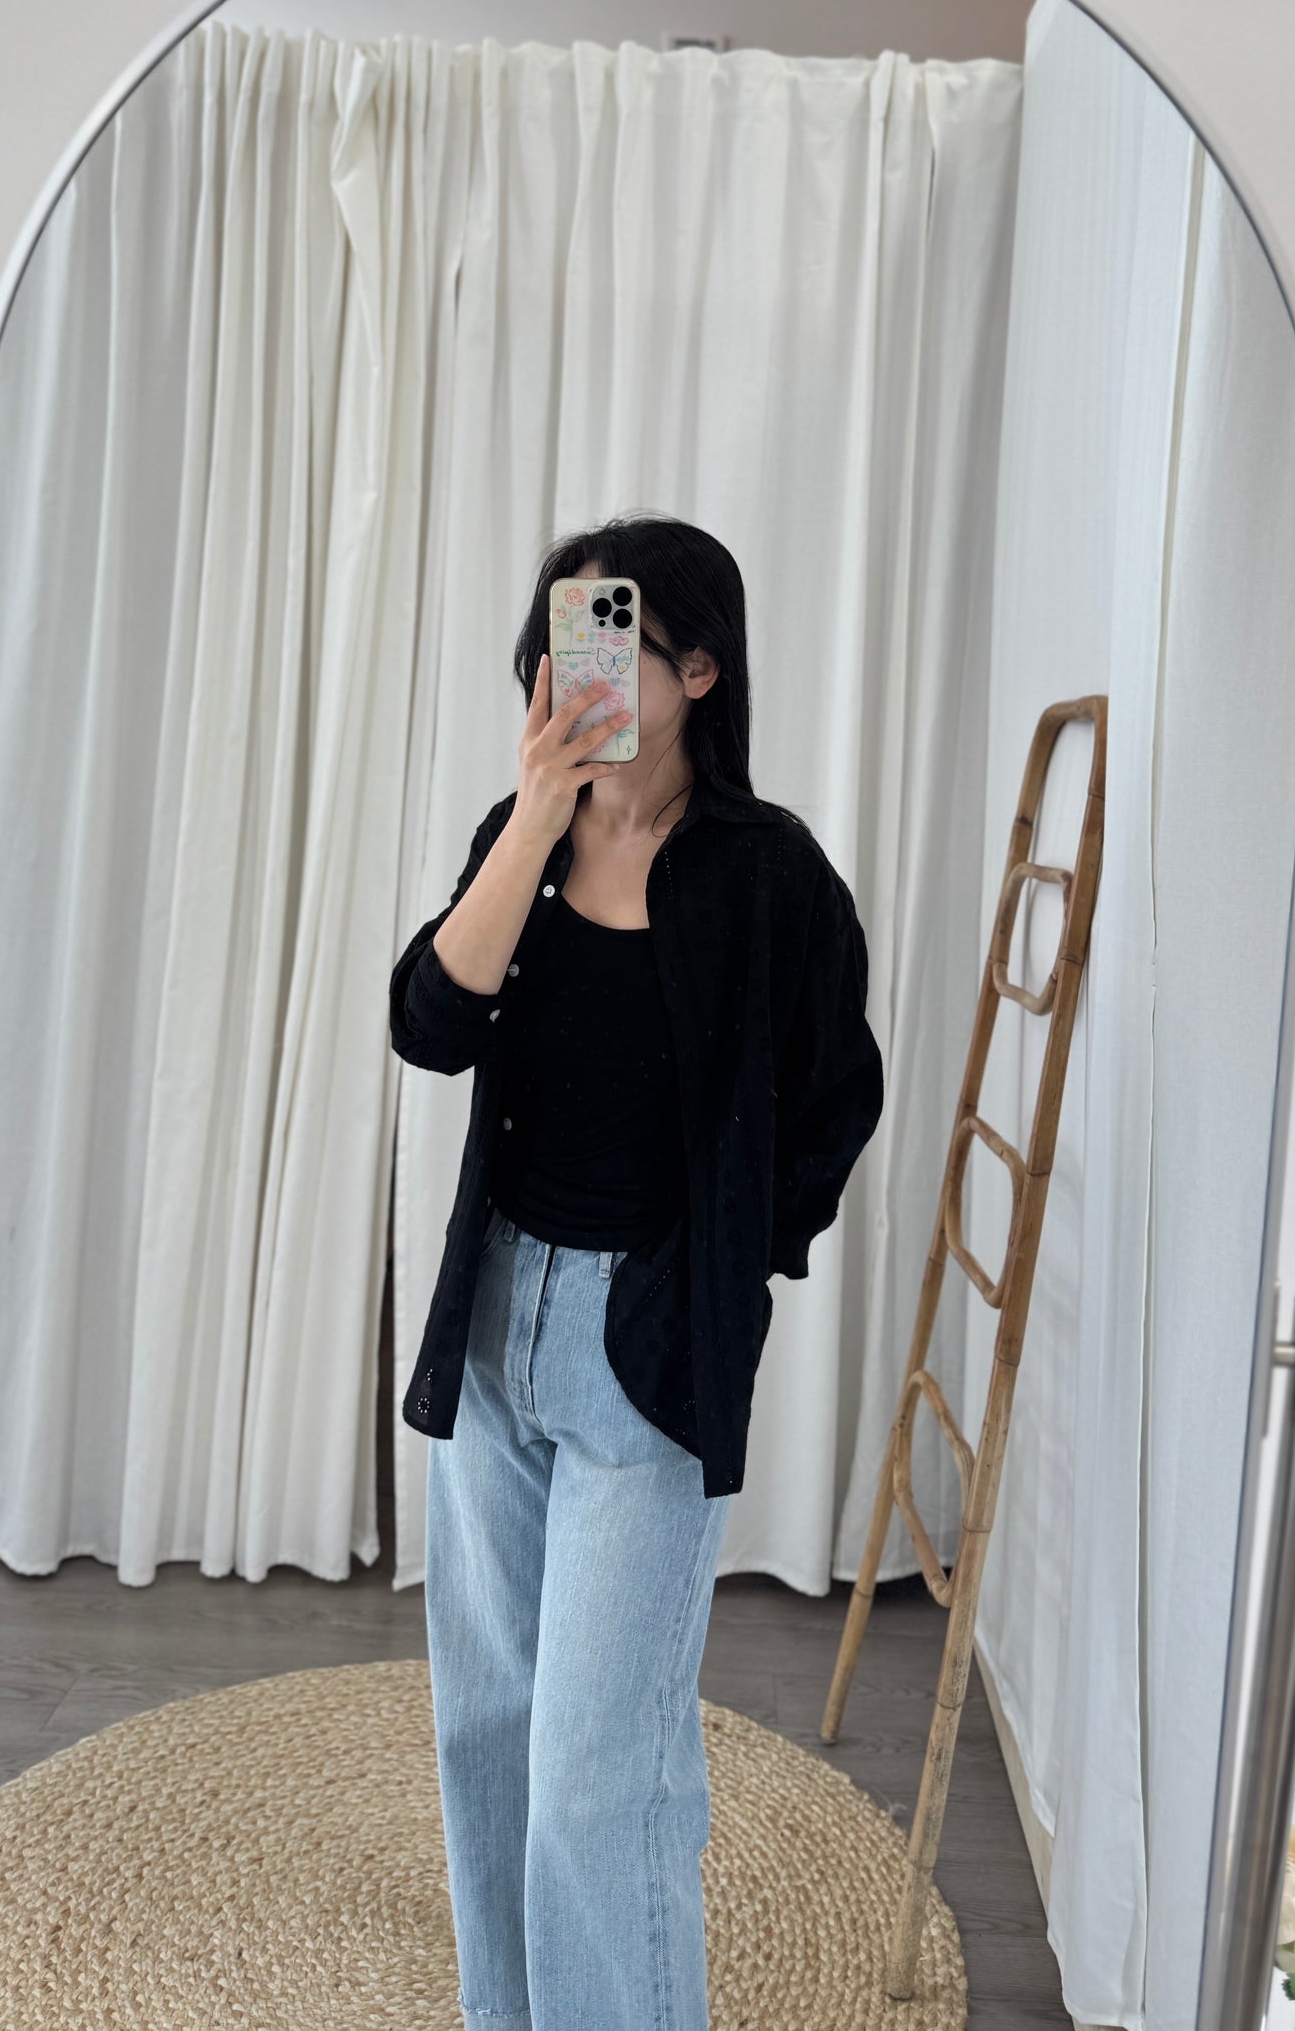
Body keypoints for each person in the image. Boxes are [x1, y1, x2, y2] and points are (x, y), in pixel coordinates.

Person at [389, 513, 883, 2031]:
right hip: (496, 1322)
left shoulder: (769, 874)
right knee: (487, 1729)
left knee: (599, 1780)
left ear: (698, 669)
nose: (570, 668)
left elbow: (836, 1097)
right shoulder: (522, 834)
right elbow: (428, 1025)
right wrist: (538, 817)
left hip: (646, 1350)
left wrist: (731, 1275)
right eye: (555, 639)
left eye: (608, 639)